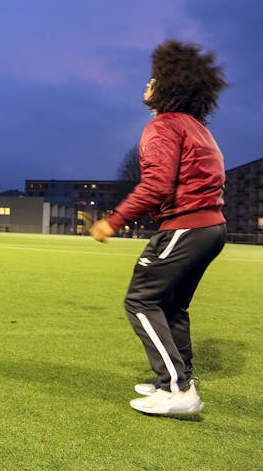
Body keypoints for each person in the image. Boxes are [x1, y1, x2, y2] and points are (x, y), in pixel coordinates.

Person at [90, 39, 228, 416]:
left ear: (170, 85)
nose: (146, 85)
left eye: (152, 79)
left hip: (186, 227)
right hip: (211, 228)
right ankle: (174, 380)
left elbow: (157, 185)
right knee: (172, 306)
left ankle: (180, 390)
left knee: (140, 301)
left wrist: (112, 221)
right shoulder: (196, 127)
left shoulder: (164, 126)